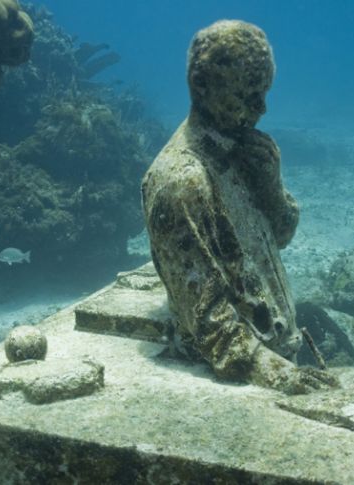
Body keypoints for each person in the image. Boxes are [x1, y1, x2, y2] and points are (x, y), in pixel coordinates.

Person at [142, 20, 337, 394]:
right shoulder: (181, 181)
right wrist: (279, 376)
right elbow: (210, 322)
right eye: (249, 94)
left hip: (268, 358)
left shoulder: (243, 152)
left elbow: (281, 236)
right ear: (202, 84)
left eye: (264, 92)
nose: (262, 107)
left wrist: (272, 188)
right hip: (222, 379)